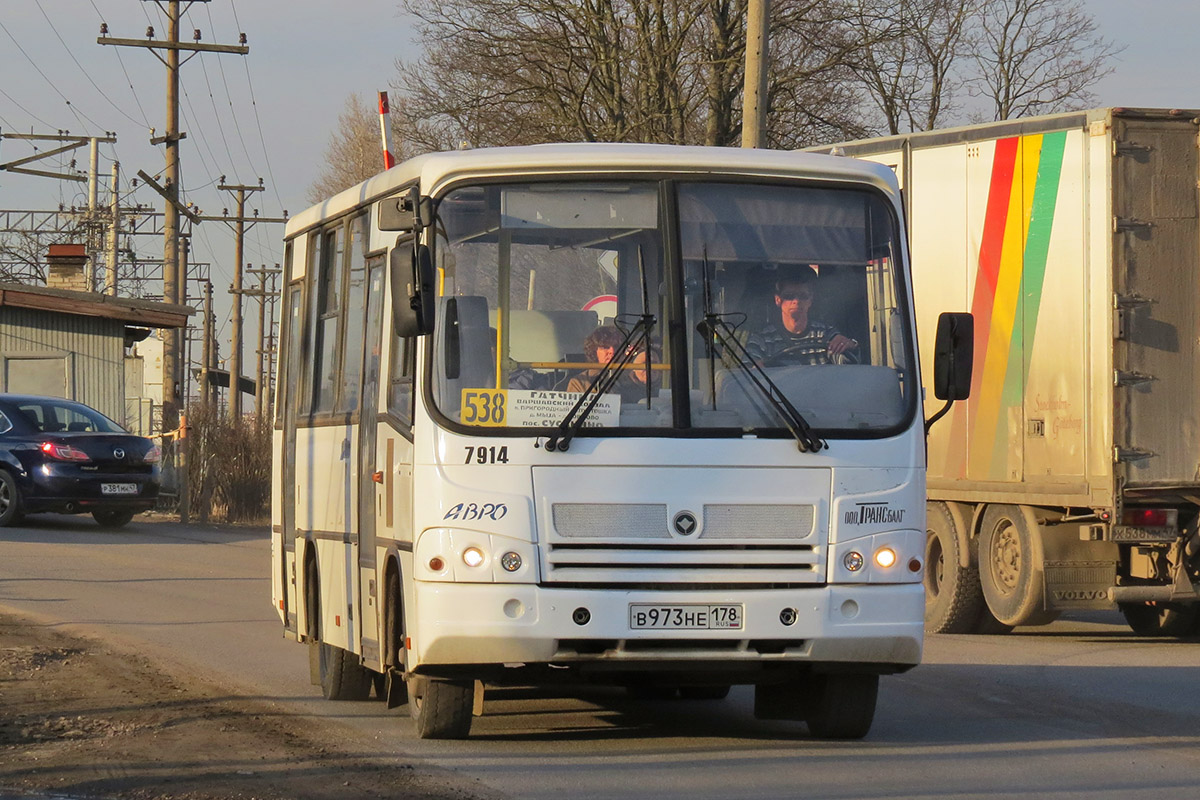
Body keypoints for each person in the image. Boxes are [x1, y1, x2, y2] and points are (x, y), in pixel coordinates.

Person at [744, 265, 856, 365]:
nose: (796, 301)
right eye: (789, 296)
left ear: (810, 300)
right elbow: (748, 378)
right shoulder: (761, 341)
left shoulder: (825, 334)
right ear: (778, 300)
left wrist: (847, 346)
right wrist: (757, 368)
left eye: (803, 296)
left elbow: (846, 367)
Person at [566, 325, 625, 393]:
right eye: (605, 347)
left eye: (617, 347)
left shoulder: (633, 377)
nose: (612, 351)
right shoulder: (580, 382)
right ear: (594, 350)